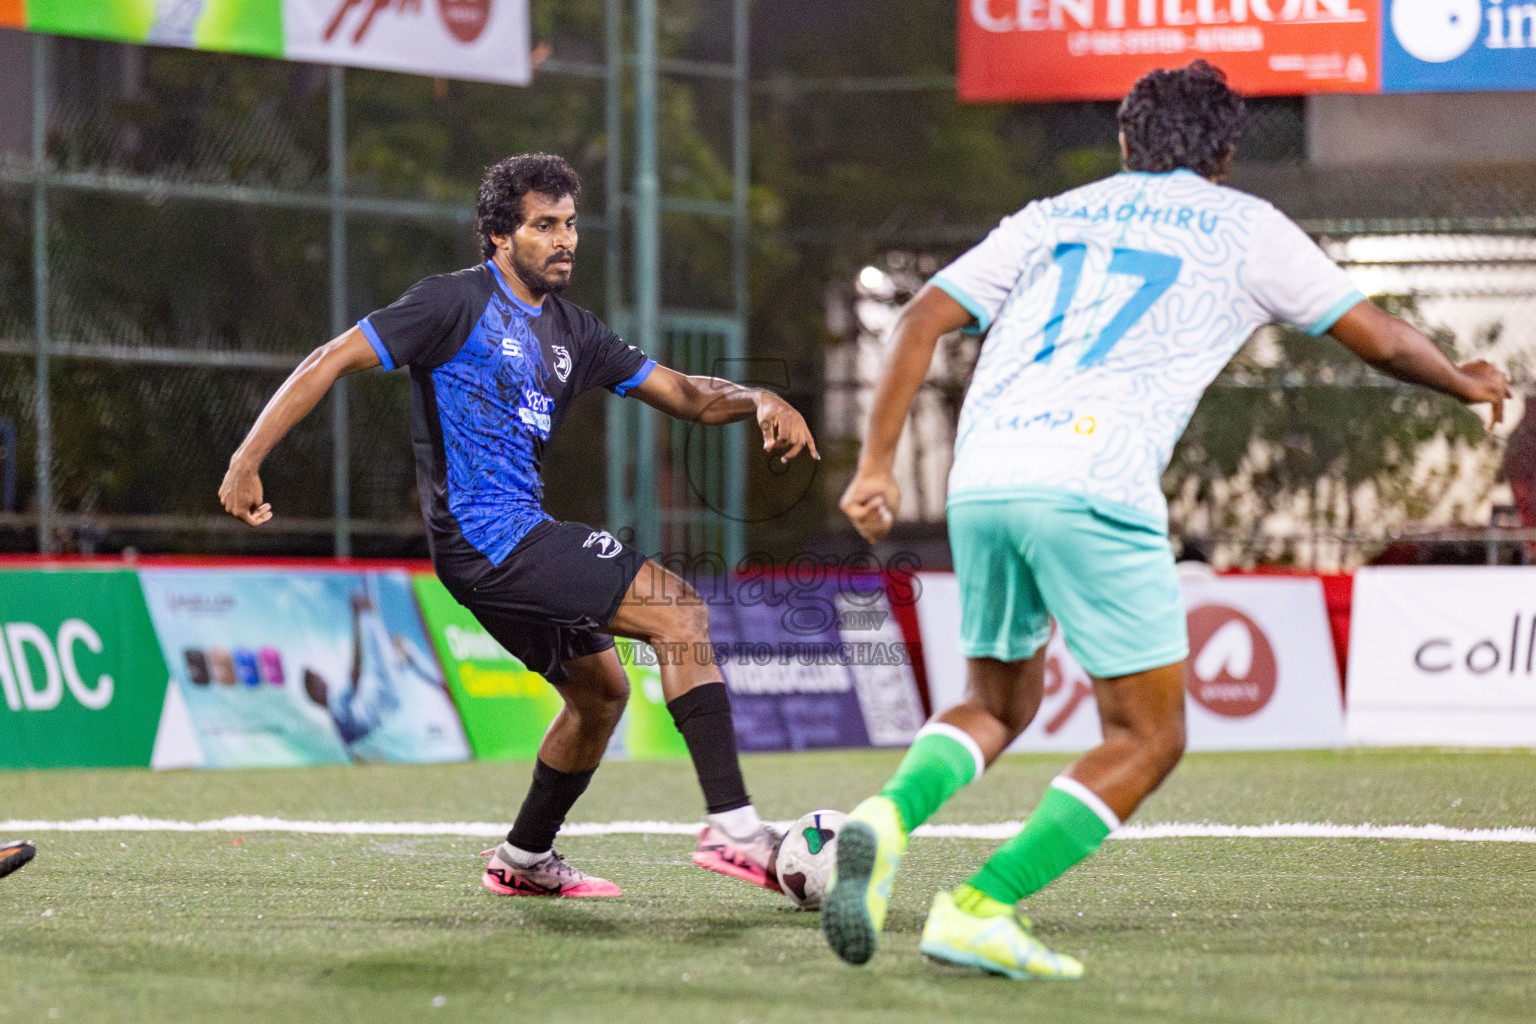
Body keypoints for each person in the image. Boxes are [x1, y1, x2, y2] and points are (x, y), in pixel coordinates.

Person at [824, 61, 1509, 979]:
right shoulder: (1246, 226)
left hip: (985, 477)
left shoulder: (1052, 215)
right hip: (1095, 477)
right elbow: (1378, 336)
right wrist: (1465, 380)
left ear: (1123, 139)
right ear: (1225, 153)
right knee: (1149, 735)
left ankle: (883, 818)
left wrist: (875, 467)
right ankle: (980, 905)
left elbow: (918, 320)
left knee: (996, 702)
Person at [220, 153, 819, 898]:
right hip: (486, 536)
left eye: (570, 225)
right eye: (544, 226)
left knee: (600, 695)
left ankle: (526, 858)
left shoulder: (578, 332)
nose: (564, 240)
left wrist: (757, 396)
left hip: (507, 539)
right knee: (679, 610)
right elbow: (330, 357)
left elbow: (690, 395)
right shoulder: (450, 304)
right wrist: (247, 460)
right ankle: (734, 829)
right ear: (500, 236)